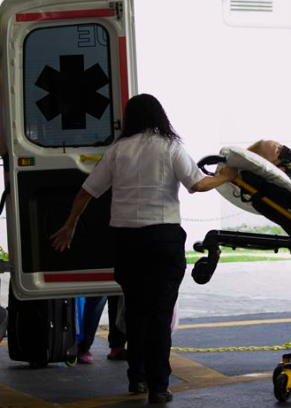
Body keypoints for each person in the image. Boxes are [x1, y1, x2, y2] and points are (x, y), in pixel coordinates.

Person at [50, 94, 233, 404]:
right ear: (159, 116)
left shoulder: (117, 151)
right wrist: (225, 176)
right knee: (160, 314)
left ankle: (137, 378)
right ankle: (159, 387)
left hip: (126, 240)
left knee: (135, 311)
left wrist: (69, 226)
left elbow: (87, 192)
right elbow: (197, 185)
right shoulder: (170, 148)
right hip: (163, 238)